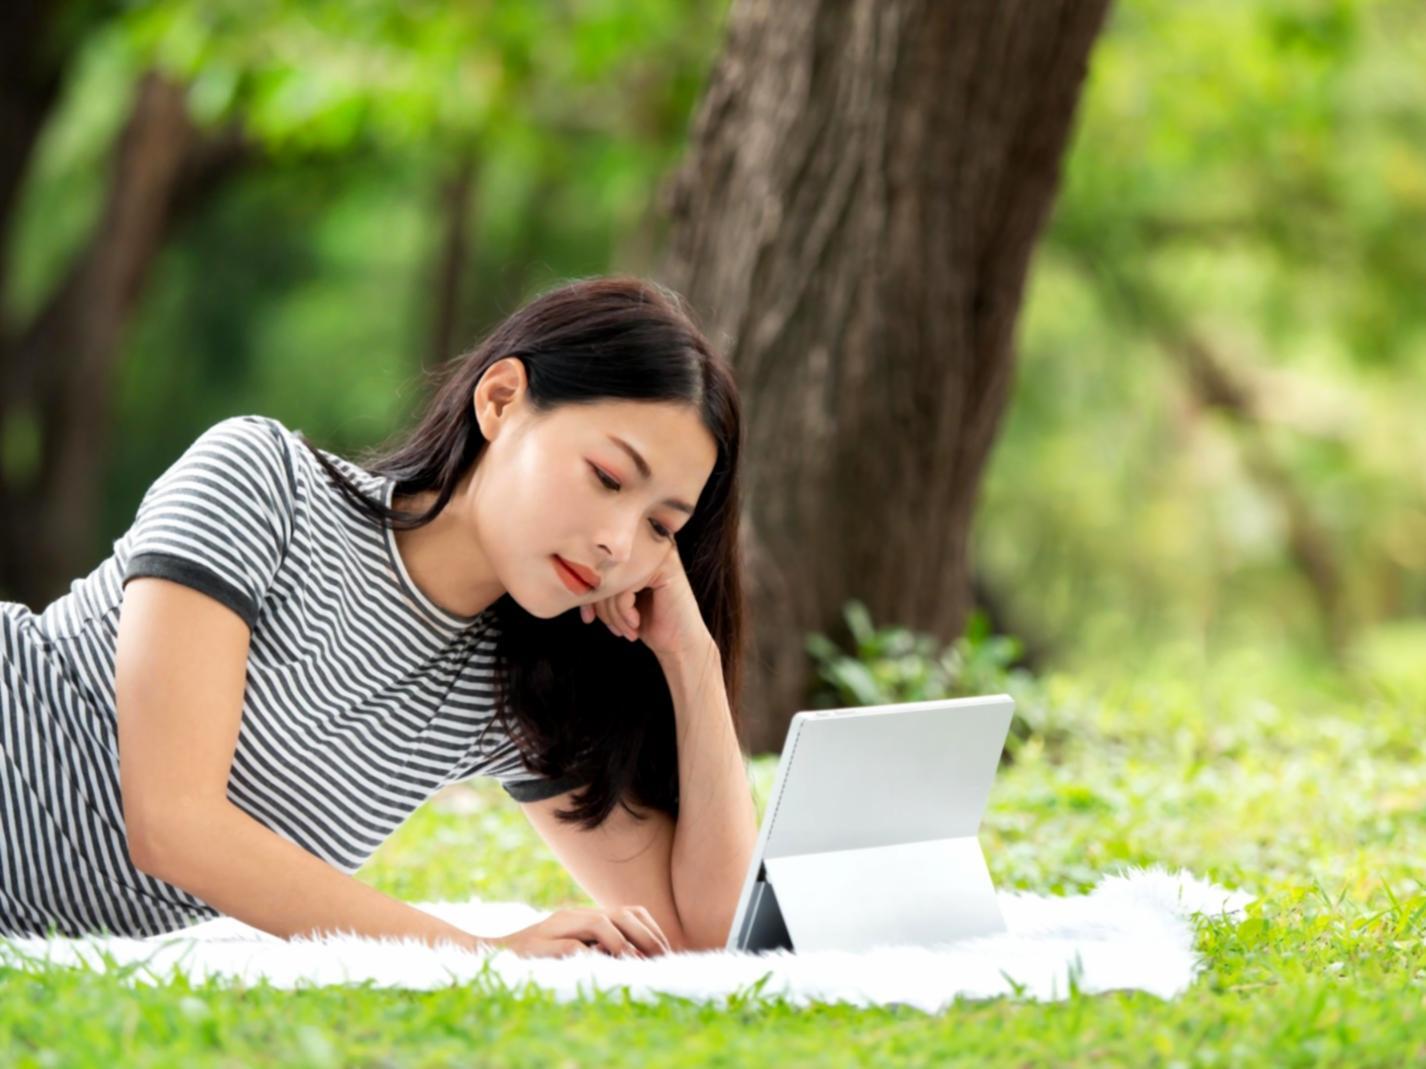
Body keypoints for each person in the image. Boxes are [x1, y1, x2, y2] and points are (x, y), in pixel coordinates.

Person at [0, 275, 758, 958]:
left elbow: (702, 932)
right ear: (500, 401)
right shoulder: (263, 484)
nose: (617, 542)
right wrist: (483, 953)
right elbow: (173, 826)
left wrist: (689, 654)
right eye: (608, 476)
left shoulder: (513, 687)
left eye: (663, 526)